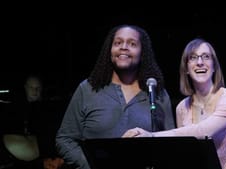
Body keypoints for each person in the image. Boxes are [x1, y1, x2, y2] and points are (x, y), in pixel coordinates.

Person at [55, 24, 175, 169]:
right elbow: (65, 139)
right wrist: (91, 165)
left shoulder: (156, 93)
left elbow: (171, 144)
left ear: (143, 52)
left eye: (132, 44)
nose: (124, 47)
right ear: (109, 50)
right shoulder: (88, 89)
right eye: (118, 42)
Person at [123, 38, 226, 169]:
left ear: (214, 66)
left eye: (206, 57)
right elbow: (185, 149)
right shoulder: (182, 107)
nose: (200, 62)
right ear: (186, 68)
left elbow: (203, 131)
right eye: (193, 57)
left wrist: (151, 136)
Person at [1, 74, 64, 169]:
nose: (35, 91)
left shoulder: (49, 109)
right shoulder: (13, 108)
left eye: (38, 88)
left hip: (43, 160)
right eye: (31, 87)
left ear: (42, 88)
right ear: (25, 87)